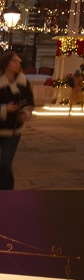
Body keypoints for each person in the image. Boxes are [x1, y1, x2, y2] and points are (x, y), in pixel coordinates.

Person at [0, 50, 34, 189]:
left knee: (5, 164)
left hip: (13, 130)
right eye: (15, 61)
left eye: (19, 61)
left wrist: (24, 113)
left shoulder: (23, 82)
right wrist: (4, 109)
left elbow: (29, 102)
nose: (18, 63)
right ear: (6, 63)